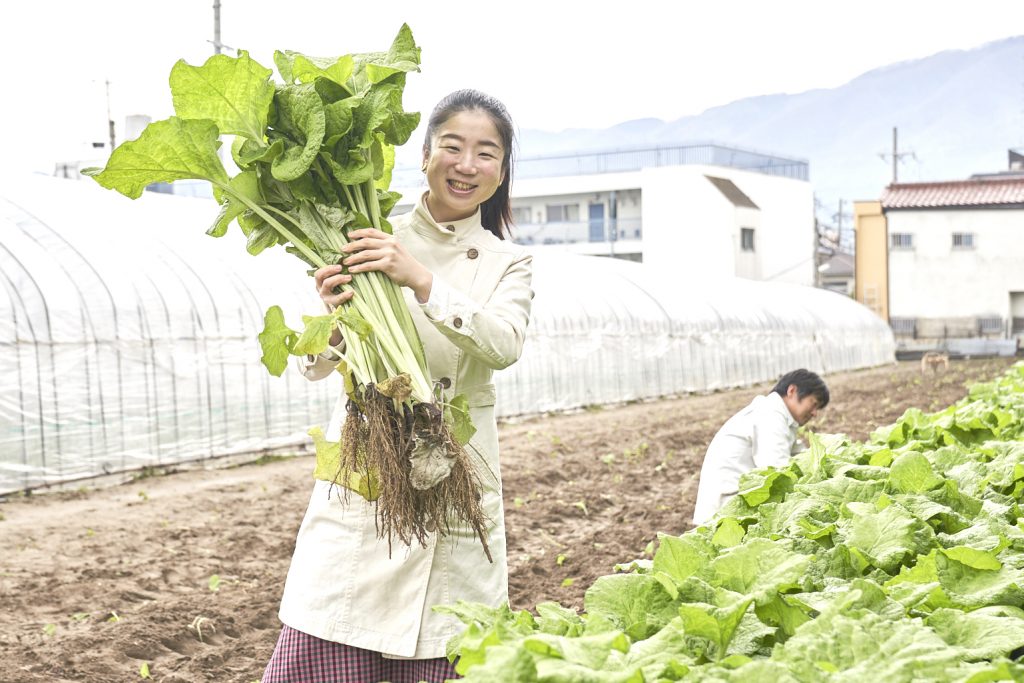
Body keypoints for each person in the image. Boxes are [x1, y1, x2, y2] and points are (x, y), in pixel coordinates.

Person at [262, 90, 534, 683]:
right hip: (370, 469)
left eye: (486, 153)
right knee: (336, 626)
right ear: (425, 153)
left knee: (442, 634)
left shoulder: (507, 263)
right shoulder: (368, 231)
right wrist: (333, 318)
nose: (466, 165)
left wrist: (420, 279)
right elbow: (314, 368)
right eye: (453, 146)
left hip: (450, 468)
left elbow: (504, 344)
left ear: (502, 170)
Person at [691, 369, 829, 526]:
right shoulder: (770, 416)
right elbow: (777, 469)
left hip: (736, 503)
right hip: (727, 508)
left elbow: (801, 455)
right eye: (814, 404)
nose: (815, 413)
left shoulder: (776, 415)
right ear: (792, 391)